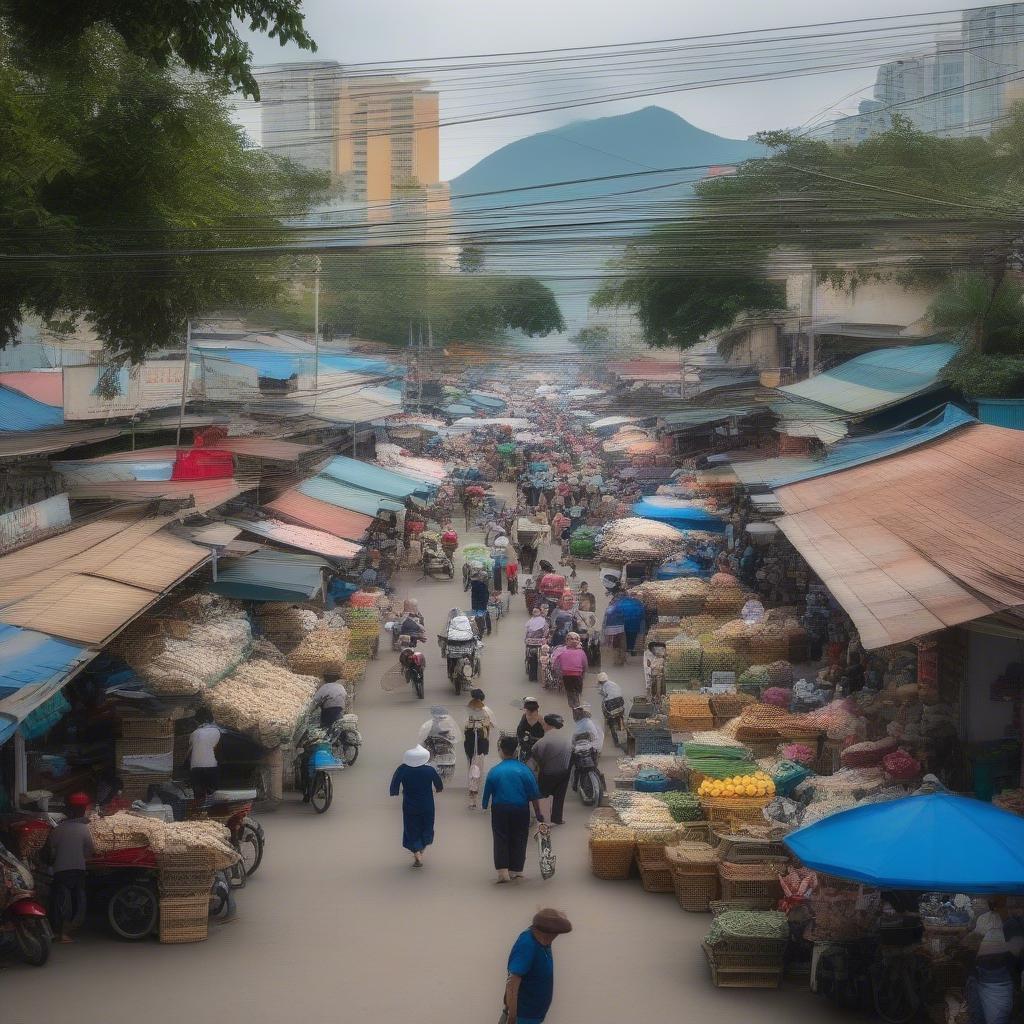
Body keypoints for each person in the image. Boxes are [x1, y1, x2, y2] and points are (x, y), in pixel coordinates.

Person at [482, 736, 547, 883]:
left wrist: (485, 806)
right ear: (516, 750)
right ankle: (516, 870)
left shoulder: (495, 771)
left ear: (501, 751)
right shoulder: (524, 770)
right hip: (520, 809)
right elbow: (533, 794)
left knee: (500, 837)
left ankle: (502, 872)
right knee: (519, 837)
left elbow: (487, 792)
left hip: (500, 809)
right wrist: (538, 814)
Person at [503, 909, 573, 1024]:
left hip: (535, 1015)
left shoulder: (544, 941)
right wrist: (512, 1018)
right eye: (555, 933)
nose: (556, 936)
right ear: (546, 931)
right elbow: (512, 981)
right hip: (523, 1017)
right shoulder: (527, 944)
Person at [45, 791, 94, 943]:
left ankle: (60, 932)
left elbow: (50, 849)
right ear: (84, 809)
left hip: (61, 870)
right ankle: (66, 932)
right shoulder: (85, 829)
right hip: (79, 869)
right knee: (78, 899)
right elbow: (90, 851)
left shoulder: (58, 829)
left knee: (61, 900)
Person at [389, 745, 443, 867]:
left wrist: (394, 791)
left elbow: (394, 784)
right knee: (427, 825)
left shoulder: (403, 769)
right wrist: (438, 790)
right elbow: (439, 785)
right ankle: (421, 847)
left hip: (409, 804)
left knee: (411, 827)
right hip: (427, 804)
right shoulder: (429, 770)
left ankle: (416, 850)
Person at [529, 714, 572, 826]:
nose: (543, 726)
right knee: (559, 795)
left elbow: (534, 754)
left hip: (548, 773)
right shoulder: (566, 738)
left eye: (544, 724)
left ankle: (543, 820)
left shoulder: (544, 741)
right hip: (564, 772)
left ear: (548, 725)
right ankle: (557, 819)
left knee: (542, 794)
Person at [464, 688, 497, 809]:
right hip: (482, 743)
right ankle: (473, 794)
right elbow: (493, 724)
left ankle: (472, 792)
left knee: (471, 764)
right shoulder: (486, 710)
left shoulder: (468, 709)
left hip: (469, 742)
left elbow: (464, 724)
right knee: (478, 766)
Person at [188, 710, 222, 804]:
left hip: (195, 767)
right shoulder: (217, 732)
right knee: (212, 792)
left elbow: (190, 749)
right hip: (212, 766)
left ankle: (199, 809)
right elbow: (217, 750)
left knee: (198, 793)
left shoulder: (194, 733)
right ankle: (211, 808)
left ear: (198, 721)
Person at [417, 706, 460, 780]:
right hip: (436, 749)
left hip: (438, 750)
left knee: (438, 766)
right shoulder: (429, 725)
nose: (442, 718)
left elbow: (421, 738)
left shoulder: (428, 725)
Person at [550, 632, 588, 708]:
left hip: (566, 676)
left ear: (567, 641)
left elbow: (556, 665)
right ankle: (577, 704)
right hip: (578, 676)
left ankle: (572, 705)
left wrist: (559, 675)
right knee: (577, 693)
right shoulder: (581, 652)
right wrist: (583, 674)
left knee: (570, 692)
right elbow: (585, 665)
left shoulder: (561, 651)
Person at [470, 569, 492, 635]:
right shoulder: (481, 585)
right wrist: (485, 602)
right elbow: (484, 596)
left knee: (477, 616)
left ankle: (479, 629)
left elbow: (473, 596)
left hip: (475, 604)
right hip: (481, 603)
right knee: (484, 615)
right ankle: (486, 629)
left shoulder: (473, 585)